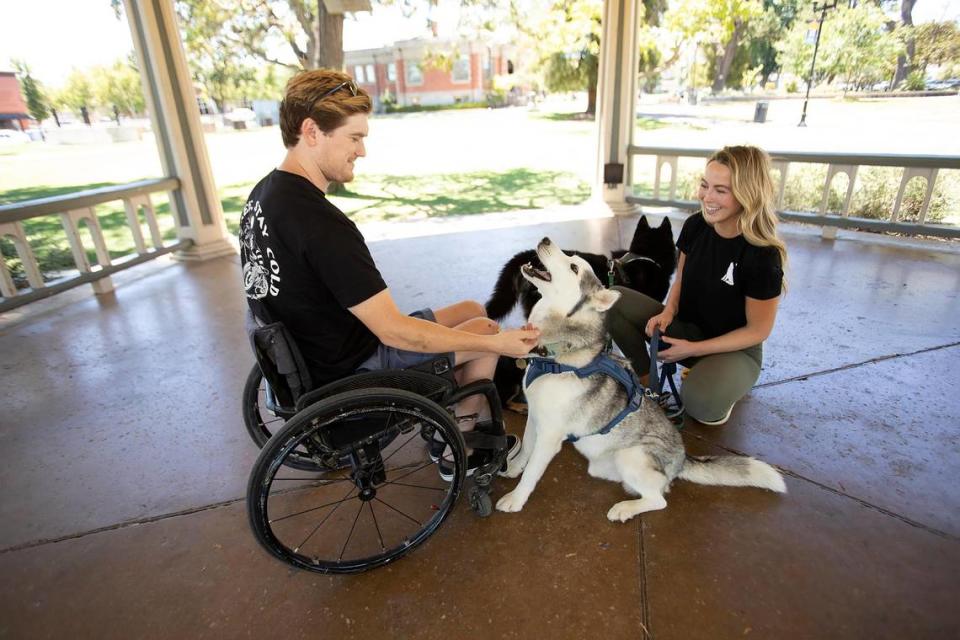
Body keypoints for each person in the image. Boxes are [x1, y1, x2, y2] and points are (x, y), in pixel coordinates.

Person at [240, 69, 539, 469]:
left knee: (471, 307)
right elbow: (394, 330)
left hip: (320, 350)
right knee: (485, 330)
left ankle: (449, 419)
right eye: (354, 137)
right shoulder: (320, 224)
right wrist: (498, 345)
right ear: (312, 132)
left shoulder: (263, 195)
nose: (362, 151)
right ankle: (460, 447)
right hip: (350, 372)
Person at [608, 145, 786, 426]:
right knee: (612, 300)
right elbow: (681, 278)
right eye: (705, 185)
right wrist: (668, 312)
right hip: (686, 331)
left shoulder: (762, 255)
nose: (706, 197)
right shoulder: (696, 225)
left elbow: (759, 330)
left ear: (746, 194)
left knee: (701, 406)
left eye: (721, 190)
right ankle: (647, 387)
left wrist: (693, 350)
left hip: (734, 350)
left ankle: (724, 380)